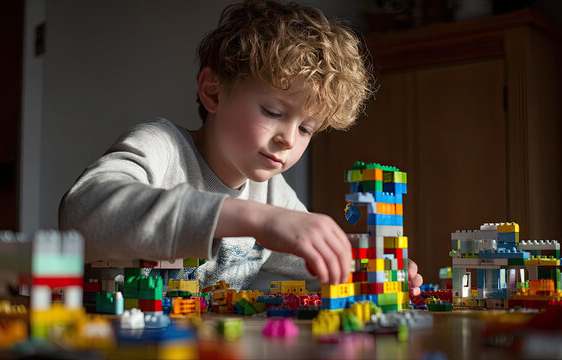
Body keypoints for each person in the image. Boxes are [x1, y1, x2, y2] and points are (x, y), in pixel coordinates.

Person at [59, 0, 423, 295]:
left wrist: (368, 267)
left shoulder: (272, 192)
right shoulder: (162, 146)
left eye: (307, 128)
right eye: (273, 111)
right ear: (213, 91)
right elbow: (80, 211)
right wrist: (258, 220)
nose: (289, 139)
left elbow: (315, 266)